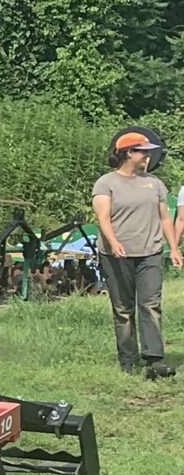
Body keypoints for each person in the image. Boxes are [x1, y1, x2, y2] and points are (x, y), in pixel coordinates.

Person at [91, 130, 180, 380]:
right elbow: (103, 218)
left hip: (150, 253)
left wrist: (173, 247)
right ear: (129, 153)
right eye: (143, 151)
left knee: (151, 305)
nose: (148, 155)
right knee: (123, 308)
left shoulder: (154, 183)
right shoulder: (106, 183)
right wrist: (114, 242)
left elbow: (165, 218)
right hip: (116, 255)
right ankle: (128, 360)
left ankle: (154, 359)